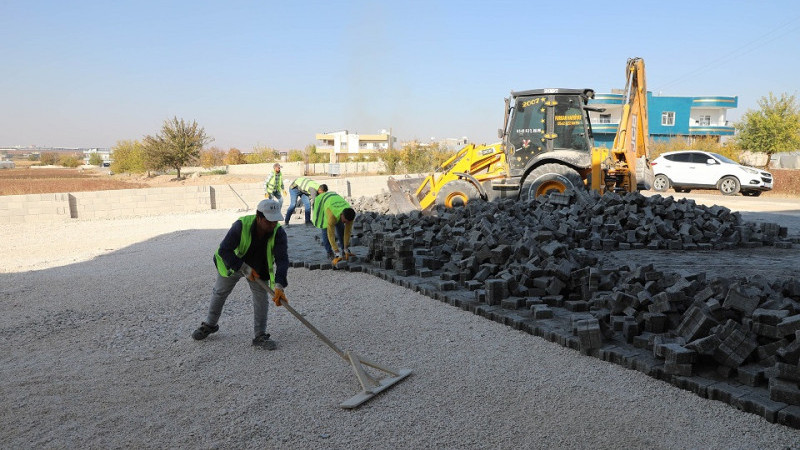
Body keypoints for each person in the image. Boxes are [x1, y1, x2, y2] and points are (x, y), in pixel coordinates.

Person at [192, 198, 289, 350]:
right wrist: (243, 268)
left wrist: (279, 285)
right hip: (234, 262)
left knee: (261, 299)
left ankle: (260, 335)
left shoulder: (278, 233)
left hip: (258, 267)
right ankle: (210, 324)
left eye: (275, 221)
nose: (273, 225)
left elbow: (282, 260)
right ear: (259, 217)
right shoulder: (241, 226)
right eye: (269, 221)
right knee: (219, 292)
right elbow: (224, 250)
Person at [312, 188, 357, 264]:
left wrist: (346, 247)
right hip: (323, 202)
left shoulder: (349, 215)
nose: (346, 223)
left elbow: (347, 232)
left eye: (347, 222)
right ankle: (329, 252)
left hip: (335, 199)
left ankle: (344, 250)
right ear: (342, 215)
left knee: (341, 229)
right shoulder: (331, 216)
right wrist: (336, 251)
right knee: (325, 229)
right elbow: (331, 235)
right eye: (345, 221)